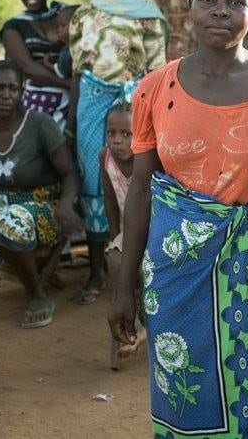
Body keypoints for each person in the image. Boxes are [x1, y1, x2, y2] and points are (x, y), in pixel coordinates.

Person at [108, 0, 248, 438]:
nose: (221, 10)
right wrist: (123, 285)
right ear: (189, 9)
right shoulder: (155, 89)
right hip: (175, 267)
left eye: (235, 1)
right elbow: (141, 191)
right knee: (184, 385)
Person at [68, 0, 167, 304]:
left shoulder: (146, 10)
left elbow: (158, 68)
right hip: (92, 102)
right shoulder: (84, 14)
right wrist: (73, 120)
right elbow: (78, 70)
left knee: (139, 174)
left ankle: (145, 266)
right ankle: (98, 271)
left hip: (135, 98)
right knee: (96, 179)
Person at [0, 60, 81, 329]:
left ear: (22, 93)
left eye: (13, 88)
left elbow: (69, 173)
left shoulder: (39, 124)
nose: (6, 95)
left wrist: (66, 205)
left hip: (41, 205)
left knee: (7, 225)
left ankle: (37, 296)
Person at [100, 101, 145, 362]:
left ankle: (144, 321)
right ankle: (126, 317)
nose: (117, 141)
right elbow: (109, 199)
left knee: (144, 269)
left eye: (126, 134)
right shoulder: (104, 158)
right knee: (115, 258)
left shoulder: (147, 159)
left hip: (153, 230)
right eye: (111, 133)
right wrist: (113, 234)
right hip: (127, 232)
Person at [1, 0, 72, 129]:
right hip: (34, 101)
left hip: (70, 102)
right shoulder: (14, 26)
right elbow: (27, 66)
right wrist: (67, 83)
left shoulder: (64, 17)